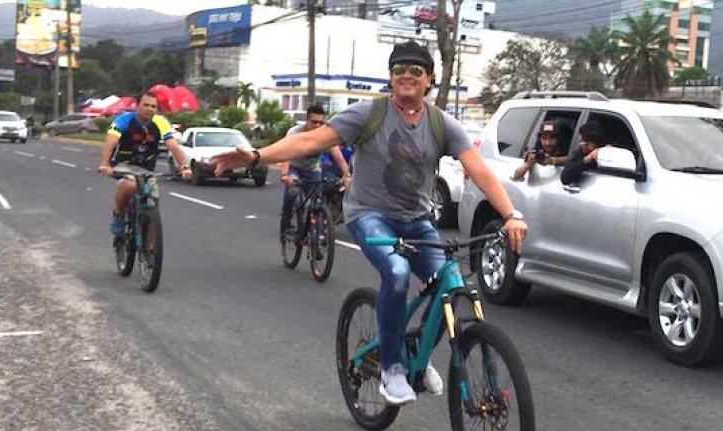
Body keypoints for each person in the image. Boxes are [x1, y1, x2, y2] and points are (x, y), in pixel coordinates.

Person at [211, 41, 528, 405]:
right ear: (390, 78)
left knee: (450, 284)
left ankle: (418, 354)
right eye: (398, 69)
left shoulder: (441, 124)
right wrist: (256, 156)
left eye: (416, 70)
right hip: (369, 215)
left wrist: (511, 215)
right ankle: (392, 367)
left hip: (416, 219)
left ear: (429, 79)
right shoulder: (369, 113)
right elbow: (311, 141)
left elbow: (479, 170)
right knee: (396, 271)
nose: (406, 75)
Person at [97, 92, 190, 245]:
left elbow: (173, 146)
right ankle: (119, 216)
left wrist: (184, 167)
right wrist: (104, 164)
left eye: (153, 106)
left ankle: (149, 249)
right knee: (129, 185)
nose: (149, 109)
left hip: (147, 169)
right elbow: (110, 142)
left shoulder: (160, 122)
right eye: (145, 105)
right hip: (125, 165)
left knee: (153, 204)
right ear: (137, 106)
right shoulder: (124, 119)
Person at [280, 105, 350, 239]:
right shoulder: (295, 133)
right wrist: (284, 174)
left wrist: (347, 175)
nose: (317, 125)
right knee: (292, 192)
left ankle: (316, 230)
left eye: (320, 122)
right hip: (294, 167)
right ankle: (286, 224)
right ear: (307, 120)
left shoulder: (325, 135)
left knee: (317, 200)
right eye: (314, 122)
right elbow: (285, 154)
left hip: (312, 169)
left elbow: (339, 157)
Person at [560, 120, 608, 187]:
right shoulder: (580, 154)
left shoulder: (607, 154)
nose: (581, 144)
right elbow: (565, 178)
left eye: (584, 142)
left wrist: (603, 152)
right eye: (580, 141)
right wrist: (585, 160)